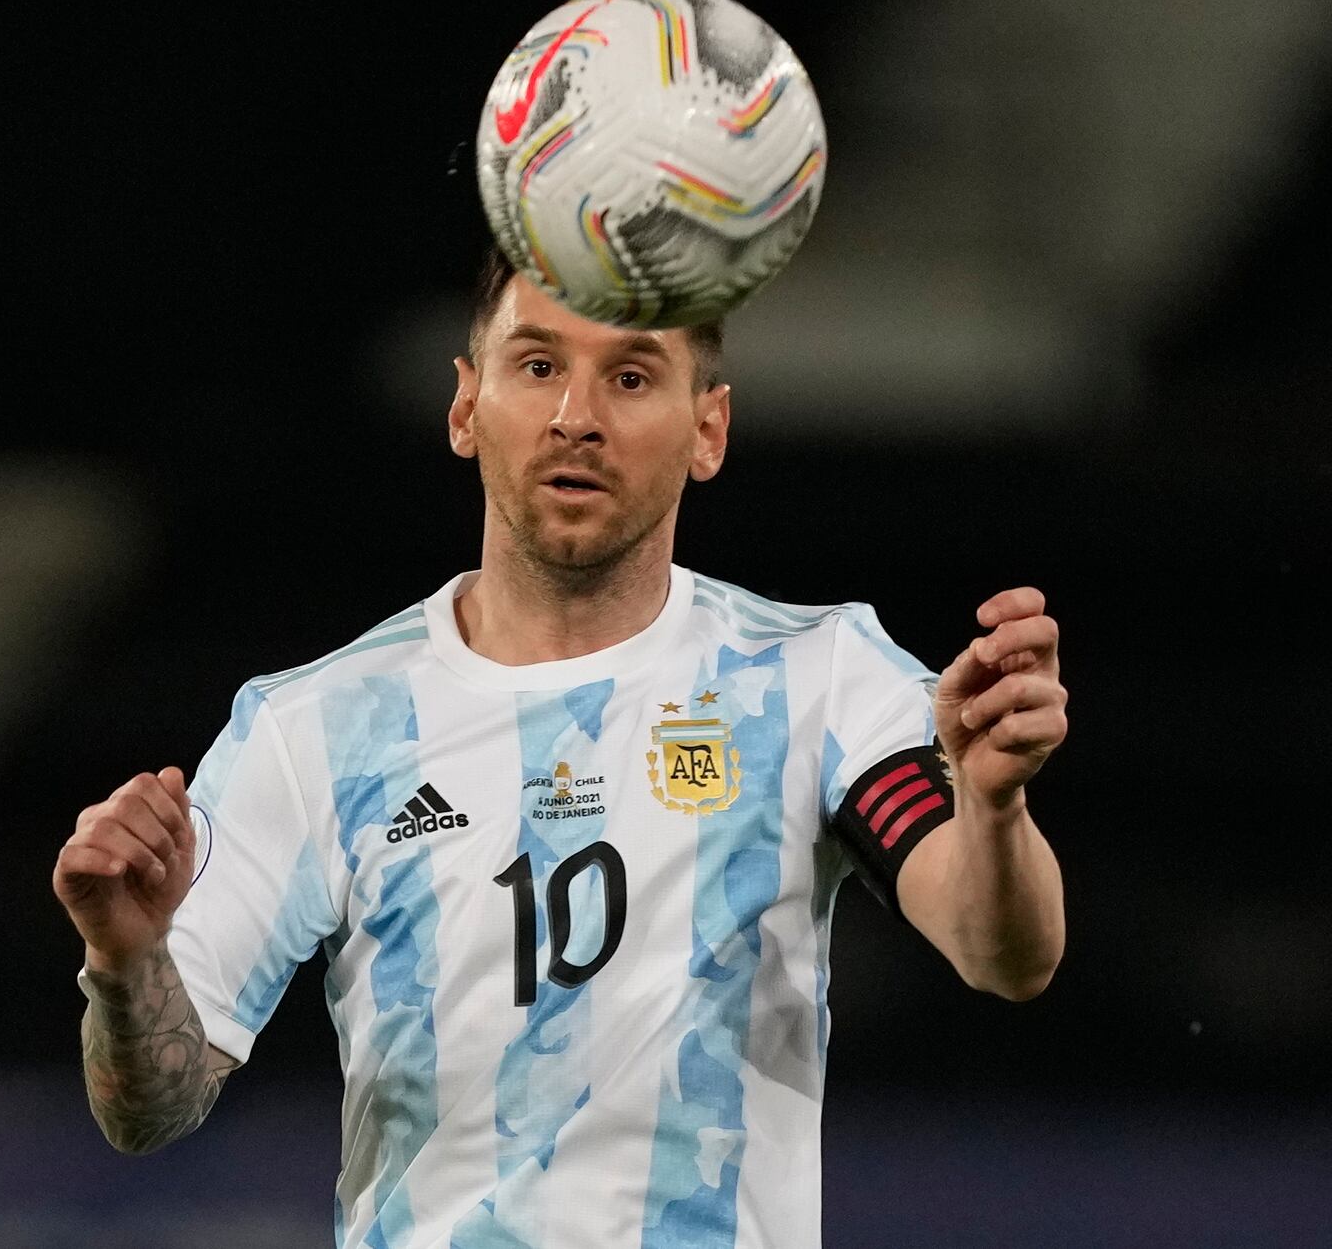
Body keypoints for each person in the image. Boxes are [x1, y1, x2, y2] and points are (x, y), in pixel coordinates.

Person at [52, 249, 1067, 1248]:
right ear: (465, 406)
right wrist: (123, 957)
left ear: (706, 427)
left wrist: (991, 808)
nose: (574, 416)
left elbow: (1000, 953)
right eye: (537, 365)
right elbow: (149, 1104)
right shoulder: (318, 728)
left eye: (629, 376)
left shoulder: (819, 680)